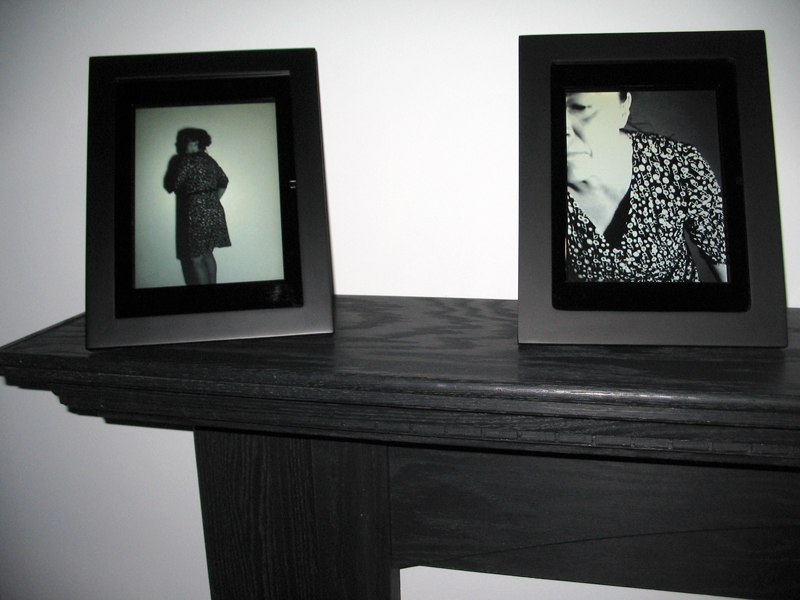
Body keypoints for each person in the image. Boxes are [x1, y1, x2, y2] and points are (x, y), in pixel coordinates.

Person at [565, 91, 728, 283]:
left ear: (622, 108)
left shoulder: (677, 165)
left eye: (581, 106)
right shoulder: (540, 197)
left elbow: (731, 277)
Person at [164, 128, 231, 285]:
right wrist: (212, 200)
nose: (180, 145)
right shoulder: (210, 160)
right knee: (207, 253)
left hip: (196, 212)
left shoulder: (187, 161)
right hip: (214, 211)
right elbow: (224, 181)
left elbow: (173, 184)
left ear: (195, 143)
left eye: (184, 142)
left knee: (196, 258)